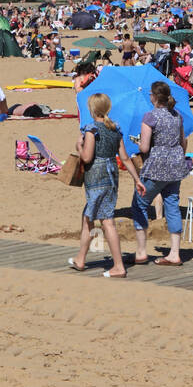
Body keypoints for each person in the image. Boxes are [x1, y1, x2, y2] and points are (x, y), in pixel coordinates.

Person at [69, 92, 143, 277]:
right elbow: (125, 158)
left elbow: (87, 157)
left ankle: (118, 266)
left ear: (92, 109)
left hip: (97, 175)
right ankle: (80, 258)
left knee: (106, 221)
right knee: (88, 216)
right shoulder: (115, 129)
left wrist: (79, 146)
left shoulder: (91, 129)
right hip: (111, 175)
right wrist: (137, 179)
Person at [131, 80, 193, 267]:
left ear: (155, 97)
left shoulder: (150, 117)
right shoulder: (177, 116)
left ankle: (141, 251)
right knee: (172, 205)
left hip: (157, 166)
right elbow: (184, 142)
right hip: (175, 165)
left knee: (139, 204)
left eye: (151, 93)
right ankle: (174, 253)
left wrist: (136, 143)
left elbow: (144, 147)